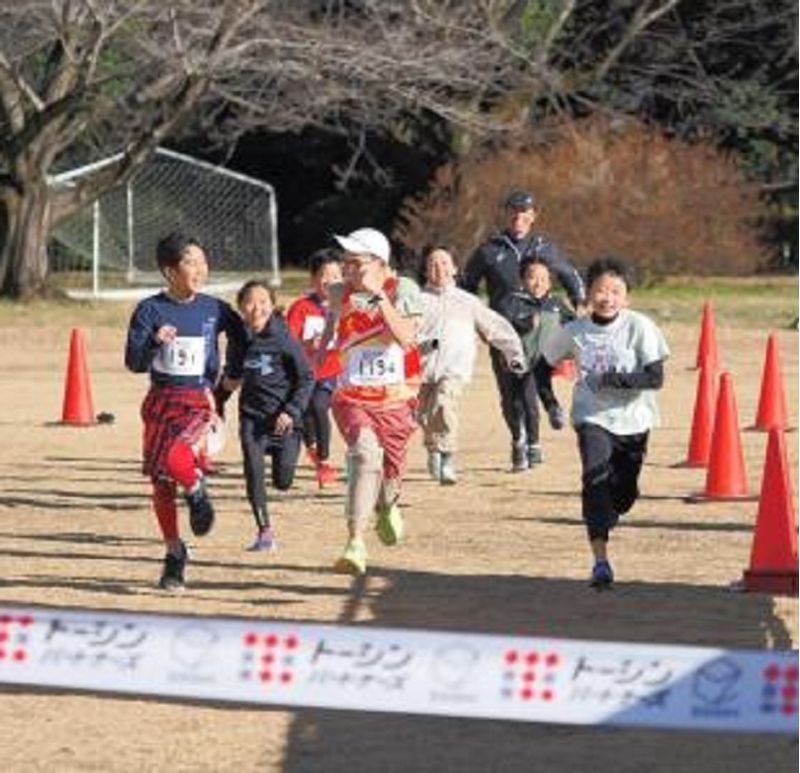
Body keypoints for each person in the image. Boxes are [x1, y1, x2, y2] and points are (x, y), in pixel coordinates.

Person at [534, 257, 669, 589]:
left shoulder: (640, 327)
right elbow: (541, 367)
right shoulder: (575, 331)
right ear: (587, 294)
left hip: (634, 420)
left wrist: (611, 379)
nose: (606, 297)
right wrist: (551, 403)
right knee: (595, 482)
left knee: (622, 496)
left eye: (615, 291)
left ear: (627, 297)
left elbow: (655, 378)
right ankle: (600, 561)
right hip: (591, 418)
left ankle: (621, 498)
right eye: (599, 290)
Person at [125, 231, 246, 591]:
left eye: (202, 261)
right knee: (161, 482)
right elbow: (133, 362)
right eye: (190, 262)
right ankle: (175, 553)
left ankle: (195, 490)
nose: (200, 269)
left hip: (198, 401)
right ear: (169, 270)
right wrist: (153, 340)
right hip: (160, 401)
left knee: (179, 458)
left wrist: (230, 378)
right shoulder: (150, 310)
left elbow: (243, 337)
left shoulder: (214, 308)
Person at [462, 189, 585, 470]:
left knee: (530, 386)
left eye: (525, 212)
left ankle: (534, 444)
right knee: (509, 396)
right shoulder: (490, 249)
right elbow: (466, 287)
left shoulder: (545, 248)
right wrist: (474, 322)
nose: (519, 217)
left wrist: (578, 302)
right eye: (514, 211)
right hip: (502, 333)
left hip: (538, 333)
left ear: (533, 216)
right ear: (506, 214)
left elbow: (569, 274)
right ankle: (517, 437)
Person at [327, 227, 422, 576]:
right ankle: (355, 542)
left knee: (391, 476)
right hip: (351, 397)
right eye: (346, 262)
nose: (348, 270)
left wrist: (378, 297)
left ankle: (388, 504)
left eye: (356, 263)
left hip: (396, 401)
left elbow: (407, 338)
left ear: (380, 263)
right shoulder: (339, 292)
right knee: (365, 455)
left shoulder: (404, 290)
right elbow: (330, 327)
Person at [215, 281, 315, 552]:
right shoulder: (239, 340)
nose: (256, 307)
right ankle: (264, 532)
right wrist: (215, 406)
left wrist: (291, 412)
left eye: (263, 302)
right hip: (252, 419)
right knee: (253, 470)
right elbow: (232, 378)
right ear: (241, 307)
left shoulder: (283, 338)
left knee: (282, 482)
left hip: (285, 421)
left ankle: (302, 438)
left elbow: (307, 378)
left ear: (272, 305)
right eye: (250, 302)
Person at [417, 245, 526, 484]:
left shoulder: (467, 302)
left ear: (455, 268)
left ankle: (446, 458)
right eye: (433, 264)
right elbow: (403, 331)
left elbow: (495, 326)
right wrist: (423, 343)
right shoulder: (417, 301)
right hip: (420, 370)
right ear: (425, 271)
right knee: (423, 415)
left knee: (445, 404)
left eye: (445, 263)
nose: (439, 268)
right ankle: (433, 450)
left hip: (454, 369)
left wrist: (514, 354)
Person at [497, 257, 574, 469]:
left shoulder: (556, 304)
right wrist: (525, 323)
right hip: (515, 362)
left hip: (543, 362)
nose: (538, 283)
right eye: (532, 277)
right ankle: (519, 441)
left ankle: (534, 444)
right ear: (523, 280)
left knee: (531, 399)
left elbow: (575, 325)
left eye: (543, 278)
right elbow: (501, 326)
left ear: (549, 282)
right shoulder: (512, 301)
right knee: (514, 404)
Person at [286, 248, 344, 488]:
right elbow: (288, 340)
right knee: (305, 414)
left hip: (331, 370)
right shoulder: (301, 307)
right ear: (313, 279)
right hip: (304, 373)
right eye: (323, 275)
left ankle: (325, 461)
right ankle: (311, 446)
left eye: (335, 276)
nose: (329, 281)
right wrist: (308, 344)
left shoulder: (345, 306)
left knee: (320, 407)